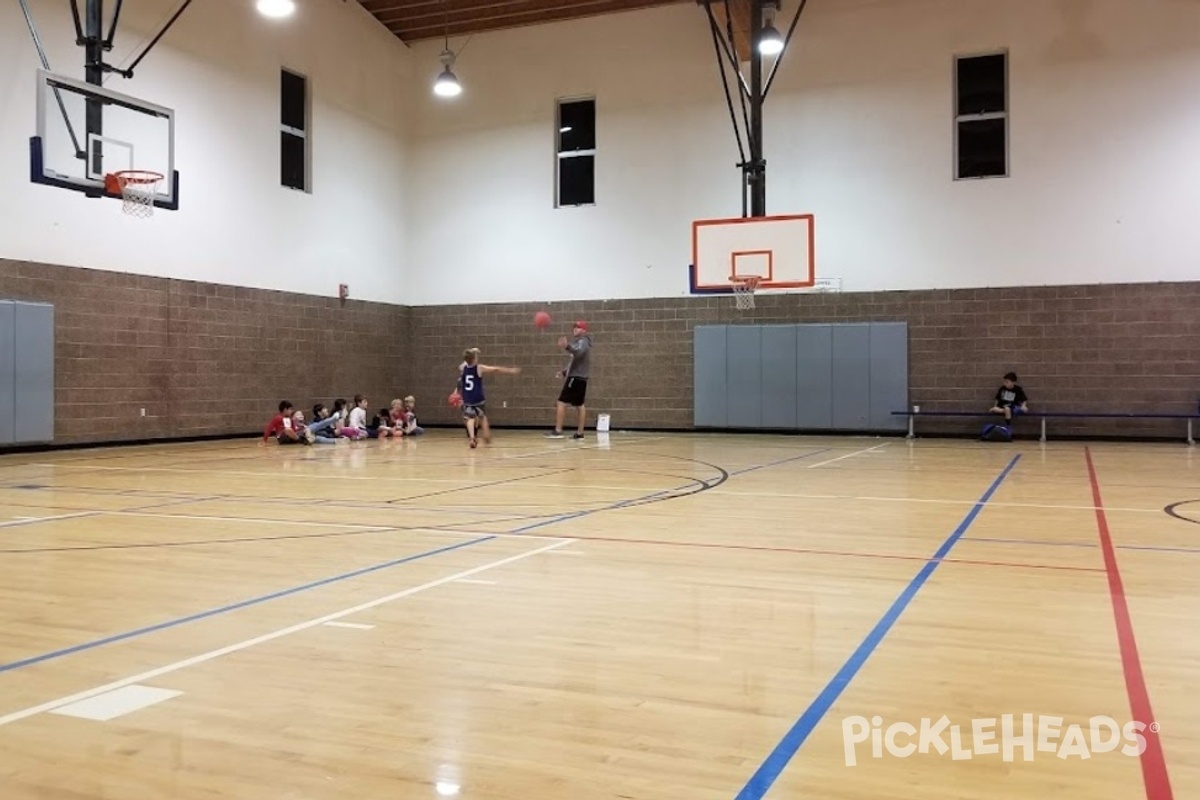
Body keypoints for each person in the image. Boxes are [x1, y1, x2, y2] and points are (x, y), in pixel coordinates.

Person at [454, 348, 520, 448]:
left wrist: (471, 351)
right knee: (482, 417)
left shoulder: (463, 367)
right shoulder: (478, 368)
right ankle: (486, 437)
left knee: (469, 419)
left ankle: (472, 438)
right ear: (475, 359)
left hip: (467, 398)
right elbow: (495, 369)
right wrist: (510, 370)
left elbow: (465, 360)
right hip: (478, 398)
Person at [548, 321, 592, 439]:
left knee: (561, 402)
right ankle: (580, 433)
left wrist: (567, 346)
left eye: (578, 327)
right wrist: (564, 372)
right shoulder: (579, 342)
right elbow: (574, 361)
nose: (575, 329)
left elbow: (577, 353)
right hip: (579, 377)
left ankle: (558, 431)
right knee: (579, 404)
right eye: (574, 327)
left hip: (576, 378)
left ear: (584, 330)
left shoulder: (583, 342)